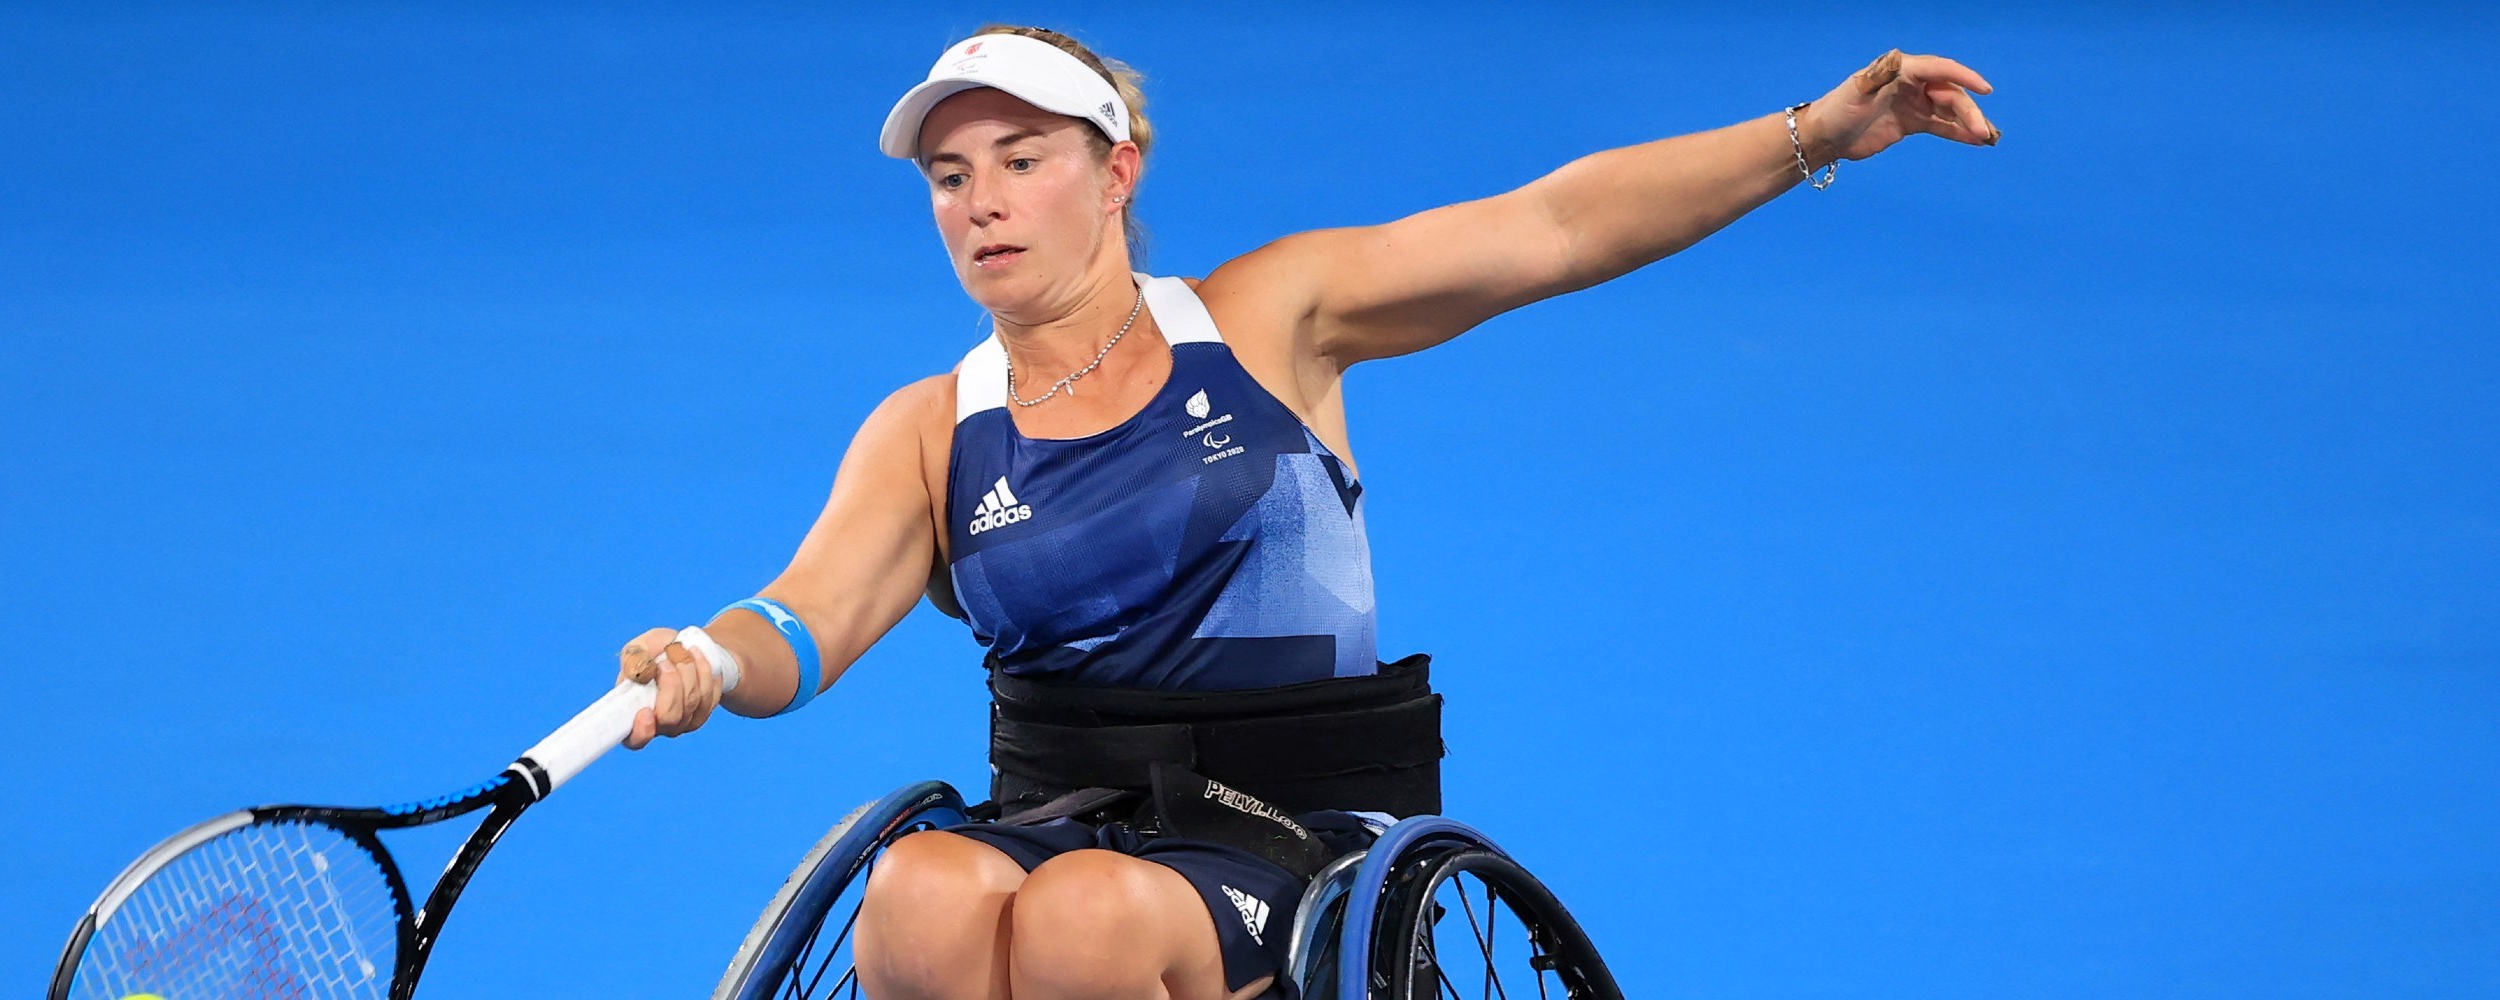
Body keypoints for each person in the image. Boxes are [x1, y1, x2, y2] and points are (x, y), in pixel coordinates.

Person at [612, 24, 1997, 1000]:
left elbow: (1556, 227)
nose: (982, 203)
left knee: (1088, 928)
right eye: (950, 176)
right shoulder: (930, 428)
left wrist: (1821, 131)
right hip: (1065, 812)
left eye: (1022, 159)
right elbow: (807, 613)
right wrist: (711, 661)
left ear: (1117, 167)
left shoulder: (1269, 318)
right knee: (916, 891)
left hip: (1289, 828)